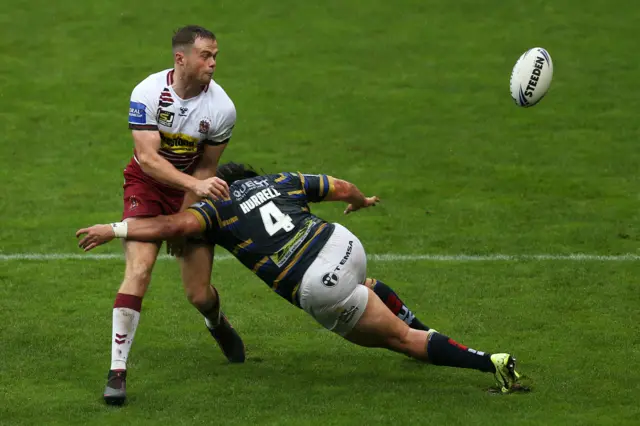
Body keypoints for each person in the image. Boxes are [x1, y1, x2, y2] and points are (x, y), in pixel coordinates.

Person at [77, 163, 529, 394]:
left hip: (319, 284)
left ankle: (491, 362)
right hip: (345, 245)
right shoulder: (283, 180)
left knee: (402, 340)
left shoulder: (216, 207)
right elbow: (339, 186)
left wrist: (113, 228)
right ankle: (414, 322)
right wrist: (361, 201)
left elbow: (172, 228)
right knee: (366, 287)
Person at [106, 25, 244, 406]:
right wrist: (195, 187)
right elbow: (148, 160)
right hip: (146, 187)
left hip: (190, 191)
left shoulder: (222, 108)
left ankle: (216, 323)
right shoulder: (147, 93)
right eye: (206, 56)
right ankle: (117, 371)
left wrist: (184, 218)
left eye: (216, 56)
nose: (213, 63)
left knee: (199, 294)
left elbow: (206, 169)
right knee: (140, 269)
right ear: (180, 58)